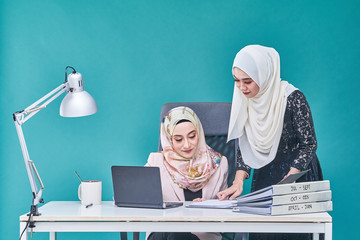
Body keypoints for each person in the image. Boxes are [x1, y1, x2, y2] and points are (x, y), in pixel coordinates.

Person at [217, 45, 323, 240]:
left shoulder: (292, 98)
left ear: (264, 75)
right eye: (237, 81)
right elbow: (244, 144)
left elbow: (309, 144)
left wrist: (289, 179)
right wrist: (238, 181)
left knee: (293, 234)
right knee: (264, 232)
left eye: (247, 81)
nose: (241, 87)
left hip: (297, 174)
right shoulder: (245, 100)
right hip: (266, 172)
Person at [146, 106, 228, 240]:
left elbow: (228, 207)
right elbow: (141, 200)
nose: (187, 145)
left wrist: (212, 206)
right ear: (169, 139)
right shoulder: (155, 162)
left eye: (192, 136)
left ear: (199, 133)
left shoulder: (220, 163)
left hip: (202, 236)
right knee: (174, 233)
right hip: (164, 233)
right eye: (178, 139)